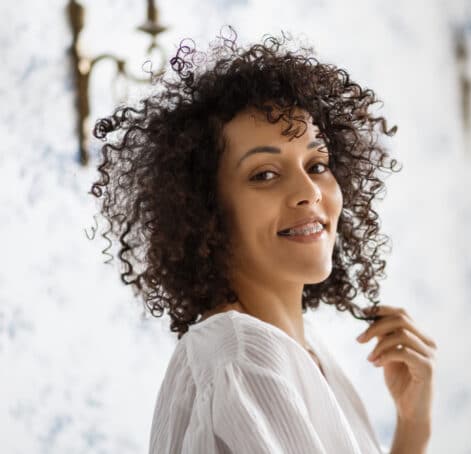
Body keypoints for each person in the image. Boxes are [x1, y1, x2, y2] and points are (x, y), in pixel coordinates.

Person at [89, 26, 437, 454]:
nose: (308, 190)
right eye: (265, 175)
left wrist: (413, 422)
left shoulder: (303, 351)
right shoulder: (242, 357)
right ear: (206, 211)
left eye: (318, 163)